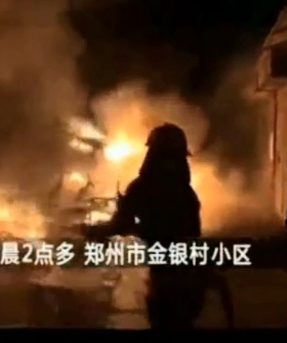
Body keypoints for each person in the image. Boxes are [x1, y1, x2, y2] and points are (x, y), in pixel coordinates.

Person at [84, 123, 206, 329]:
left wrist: (92, 231)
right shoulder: (187, 194)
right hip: (192, 285)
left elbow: (120, 226)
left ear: (152, 154)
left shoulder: (142, 187)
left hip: (166, 287)